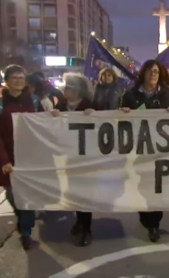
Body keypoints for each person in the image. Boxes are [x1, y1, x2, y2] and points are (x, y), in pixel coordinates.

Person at [120, 59, 169, 242]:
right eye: (150, 71)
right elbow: (120, 121)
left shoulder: (167, 96)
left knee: (157, 187)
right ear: (143, 74)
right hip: (139, 150)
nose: (153, 74)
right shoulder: (130, 96)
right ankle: (147, 219)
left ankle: (154, 224)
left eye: (156, 71)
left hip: (160, 152)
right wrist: (123, 113)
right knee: (143, 186)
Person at [0, 65, 43, 250]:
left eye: (21, 77)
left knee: (28, 198)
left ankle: (25, 232)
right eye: (14, 77)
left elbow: (45, 124)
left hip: (30, 159)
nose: (18, 80)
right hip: (8, 159)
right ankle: (22, 220)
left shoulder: (33, 101)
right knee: (13, 195)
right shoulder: (1, 104)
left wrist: (54, 115)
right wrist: (4, 160)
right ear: (7, 81)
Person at [51, 72, 95, 246]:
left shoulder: (90, 106)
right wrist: (52, 116)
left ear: (76, 90)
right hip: (69, 157)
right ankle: (79, 220)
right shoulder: (61, 105)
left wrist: (94, 114)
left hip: (87, 158)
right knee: (72, 190)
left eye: (68, 87)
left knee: (85, 192)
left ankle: (86, 228)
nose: (64, 89)